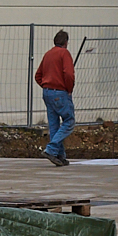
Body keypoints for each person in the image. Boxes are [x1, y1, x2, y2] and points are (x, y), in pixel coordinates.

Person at [34, 30, 76, 166]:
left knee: (54, 126)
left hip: (47, 92)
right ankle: (51, 150)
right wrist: (69, 89)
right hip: (60, 92)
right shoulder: (64, 53)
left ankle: (60, 155)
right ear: (66, 42)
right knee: (69, 121)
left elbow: (38, 75)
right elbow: (69, 74)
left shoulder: (48, 54)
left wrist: (46, 86)